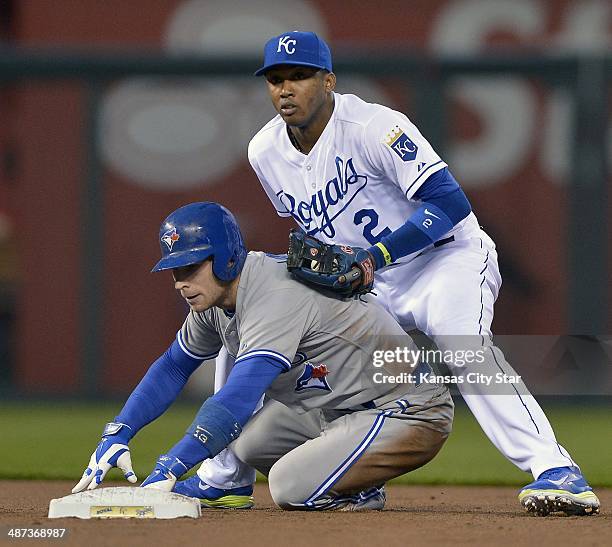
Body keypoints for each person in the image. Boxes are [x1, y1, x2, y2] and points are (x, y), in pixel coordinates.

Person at [200, 31, 600, 517]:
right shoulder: (264, 151)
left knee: (462, 346)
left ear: (328, 81)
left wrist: (375, 257)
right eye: (277, 79)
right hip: (372, 283)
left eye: (300, 76)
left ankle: (556, 470)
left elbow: (450, 202)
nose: (286, 88)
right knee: (250, 321)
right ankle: (228, 477)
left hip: (444, 260)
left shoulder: (374, 126)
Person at [73, 201, 454, 511]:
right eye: (174, 271)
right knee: (250, 446)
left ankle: (358, 490)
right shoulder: (213, 302)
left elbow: (238, 397)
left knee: (288, 487)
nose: (181, 282)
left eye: (191, 266)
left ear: (224, 257)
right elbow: (173, 366)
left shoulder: (272, 293)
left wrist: (171, 465)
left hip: (408, 407)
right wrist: (118, 431)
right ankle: (349, 475)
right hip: (339, 406)